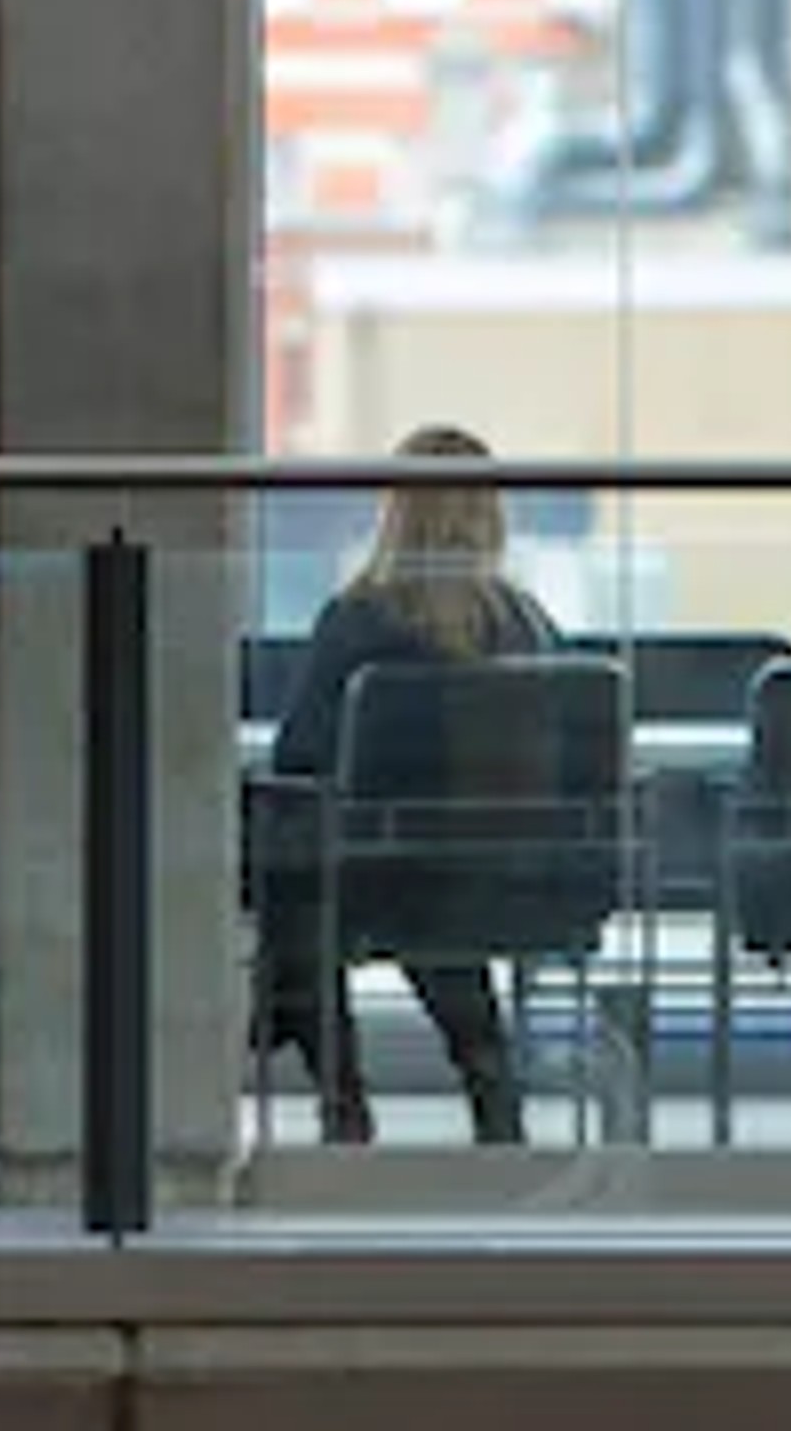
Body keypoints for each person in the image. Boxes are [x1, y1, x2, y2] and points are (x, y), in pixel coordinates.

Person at [259, 423, 554, 1148]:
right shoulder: (525, 626)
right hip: (507, 875)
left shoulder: (358, 621)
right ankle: (490, 1081)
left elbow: (300, 760)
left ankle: (341, 1096)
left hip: (381, 878)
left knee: (295, 882)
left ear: (395, 511)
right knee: (434, 903)